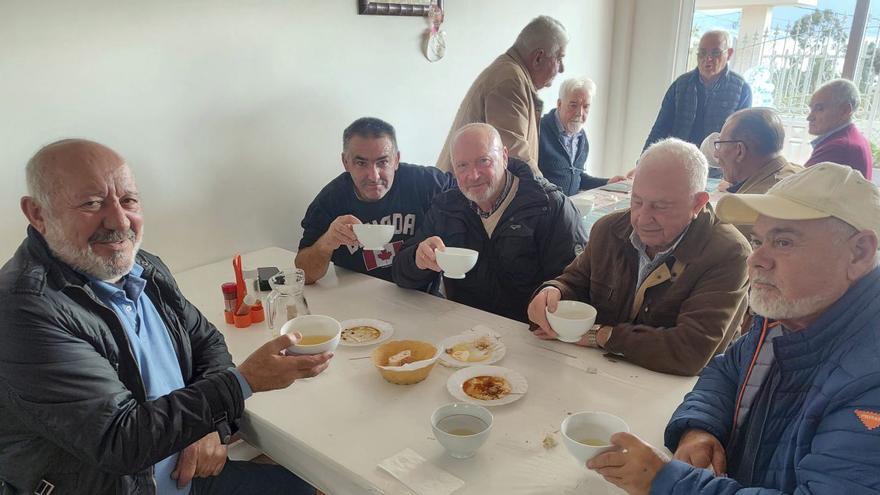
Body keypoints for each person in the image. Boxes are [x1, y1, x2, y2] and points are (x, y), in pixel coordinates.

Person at [0, 139, 333, 494]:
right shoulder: (23, 310)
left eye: (128, 200)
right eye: (92, 203)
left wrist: (209, 427)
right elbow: (120, 439)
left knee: (310, 485)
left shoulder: (144, 267)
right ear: (37, 213)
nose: (118, 220)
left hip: (186, 469)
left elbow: (208, 344)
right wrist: (243, 382)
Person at [586, 162, 880, 494]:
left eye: (783, 242)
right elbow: (727, 371)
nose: (756, 259)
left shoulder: (870, 381)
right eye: (758, 240)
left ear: (859, 253)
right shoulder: (789, 315)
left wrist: (666, 482)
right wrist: (699, 428)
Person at [527, 138, 750, 376]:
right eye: (637, 201)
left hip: (675, 388)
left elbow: (690, 352)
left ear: (697, 203)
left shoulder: (729, 253)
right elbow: (575, 282)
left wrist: (602, 336)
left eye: (660, 206)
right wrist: (553, 292)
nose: (642, 218)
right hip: (595, 372)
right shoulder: (608, 230)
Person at [394, 123, 585, 323]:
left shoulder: (549, 205)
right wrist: (418, 259)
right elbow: (401, 273)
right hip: (463, 329)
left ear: (504, 157)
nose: (473, 175)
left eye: (483, 161)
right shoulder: (446, 207)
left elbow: (578, 284)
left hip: (531, 330)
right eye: (462, 165)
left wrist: (555, 293)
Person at [296, 117, 452, 284]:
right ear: (346, 162)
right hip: (355, 295)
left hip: (420, 295)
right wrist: (327, 242)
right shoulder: (330, 201)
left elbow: (465, 194)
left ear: (396, 160)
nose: (374, 176)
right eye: (361, 163)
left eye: (383, 162)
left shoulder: (426, 183)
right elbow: (305, 275)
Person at [435, 15, 569, 174]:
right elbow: (516, 160)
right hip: (465, 186)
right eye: (559, 58)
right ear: (538, 58)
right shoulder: (510, 81)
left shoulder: (512, 73)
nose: (562, 69)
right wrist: (548, 190)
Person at [643, 30, 752, 178]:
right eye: (702, 53)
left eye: (715, 53)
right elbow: (660, 128)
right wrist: (643, 164)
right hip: (678, 165)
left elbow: (742, 141)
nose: (708, 59)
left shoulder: (741, 89)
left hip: (717, 172)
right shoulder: (680, 85)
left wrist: (736, 178)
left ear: (729, 54)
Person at [713, 107, 802, 235]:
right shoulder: (798, 173)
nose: (716, 154)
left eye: (720, 144)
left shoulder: (745, 211)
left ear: (739, 150)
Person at [538, 77, 625, 195]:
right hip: (544, 204)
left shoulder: (581, 138)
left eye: (586, 106)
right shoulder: (539, 131)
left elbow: (577, 178)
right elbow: (531, 179)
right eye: (573, 105)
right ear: (559, 104)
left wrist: (607, 183)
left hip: (570, 205)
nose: (580, 113)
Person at [805, 78, 873, 180]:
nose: (809, 117)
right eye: (811, 109)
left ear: (845, 110)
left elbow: (795, 185)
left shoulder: (838, 147)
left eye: (819, 109)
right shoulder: (853, 137)